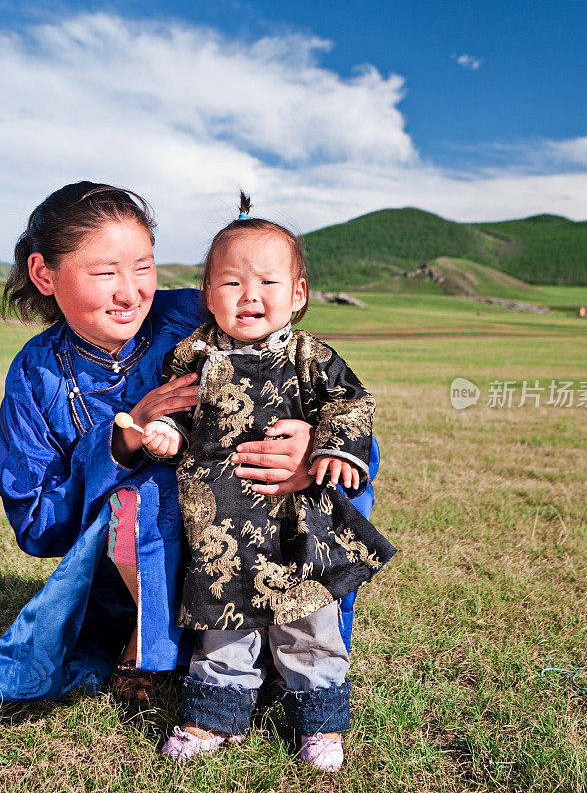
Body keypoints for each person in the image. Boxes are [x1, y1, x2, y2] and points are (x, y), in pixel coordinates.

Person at [0, 182, 327, 704]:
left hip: (252, 529)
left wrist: (310, 445)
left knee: (331, 482)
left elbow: (308, 374)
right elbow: (37, 523)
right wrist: (120, 440)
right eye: (105, 272)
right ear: (45, 274)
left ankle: (279, 645)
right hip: (120, 581)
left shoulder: (197, 317)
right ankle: (155, 644)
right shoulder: (34, 375)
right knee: (143, 496)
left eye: (143, 267)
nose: (130, 292)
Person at [125, 193, 396, 771]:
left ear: (298, 294)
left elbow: (351, 404)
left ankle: (318, 724)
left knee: (308, 621)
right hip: (218, 521)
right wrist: (166, 437)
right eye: (230, 284)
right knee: (222, 626)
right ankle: (211, 718)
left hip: (297, 520)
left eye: (268, 282)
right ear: (206, 294)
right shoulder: (193, 357)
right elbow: (177, 416)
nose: (250, 297)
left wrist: (334, 449)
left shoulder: (310, 356)